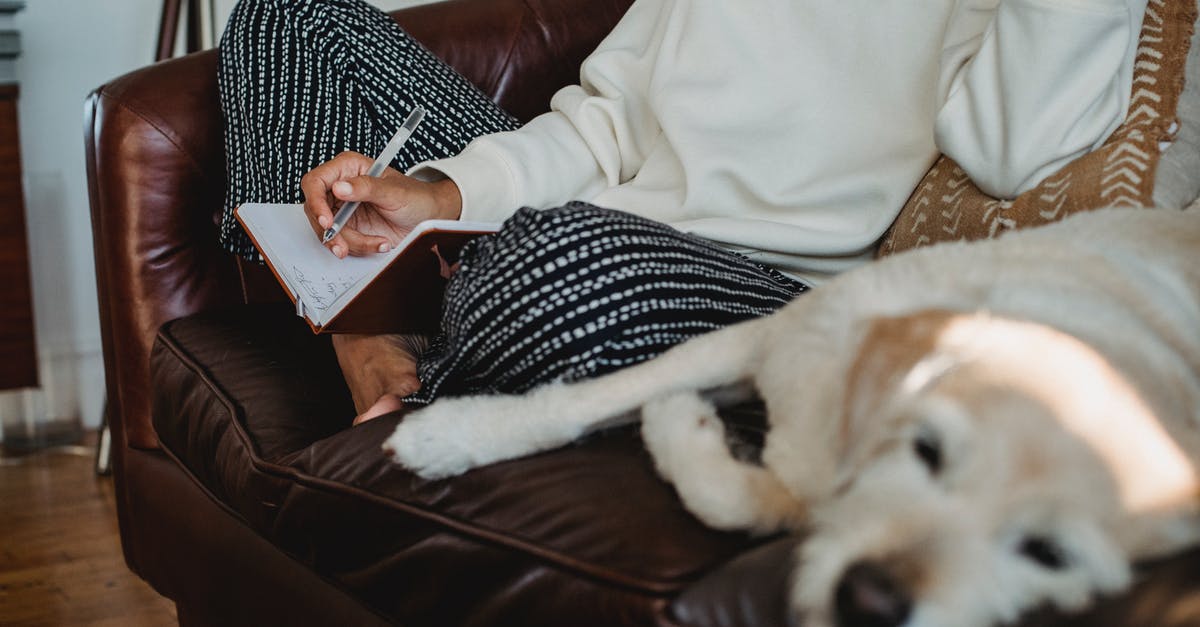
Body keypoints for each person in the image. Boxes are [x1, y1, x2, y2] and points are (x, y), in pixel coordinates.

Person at [219, 0, 1148, 424]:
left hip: (758, 286)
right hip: (588, 217)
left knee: (559, 262)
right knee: (283, 16)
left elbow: (1016, 144)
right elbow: (606, 122)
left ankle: (420, 308)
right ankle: (367, 341)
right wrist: (444, 194)